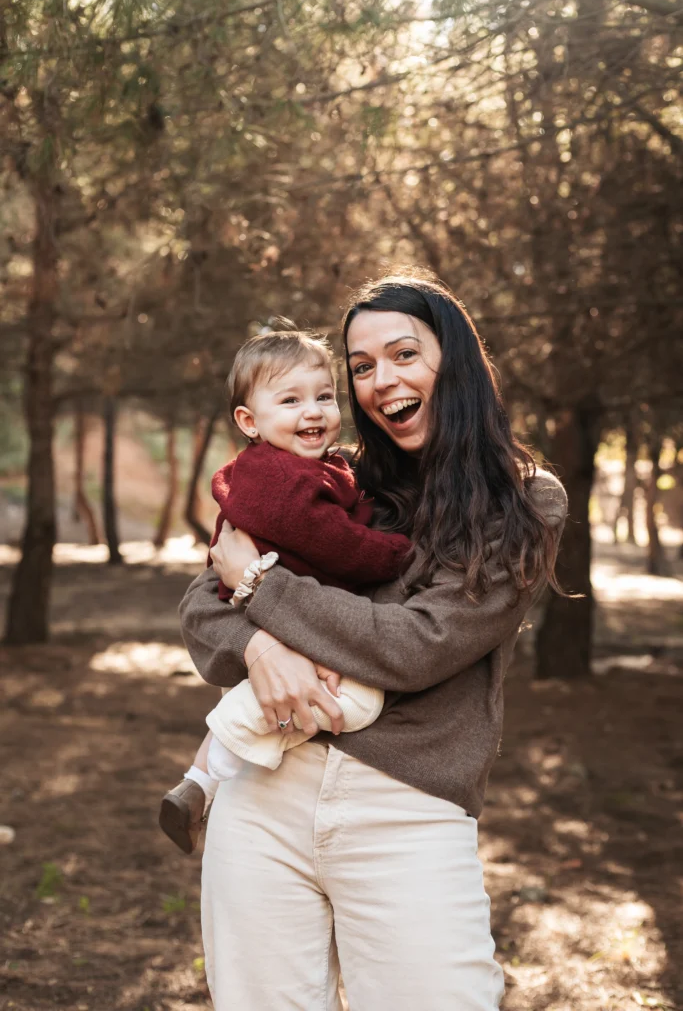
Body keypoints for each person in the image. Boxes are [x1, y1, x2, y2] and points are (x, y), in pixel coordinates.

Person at [179, 273, 568, 1011]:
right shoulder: (328, 481)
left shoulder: (524, 499)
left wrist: (261, 588)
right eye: (360, 367)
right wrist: (261, 650)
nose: (380, 379)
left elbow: (416, 645)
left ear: (453, 361)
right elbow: (204, 602)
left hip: (408, 806)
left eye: (403, 354)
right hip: (264, 792)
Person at [159, 329, 412, 854]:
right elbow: (337, 544)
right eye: (291, 401)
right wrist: (396, 551)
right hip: (283, 615)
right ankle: (218, 764)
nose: (313, 411)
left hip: (285, 610)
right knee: (358, 701)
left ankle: (201, 780)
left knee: (282, 690)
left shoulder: (304, 467)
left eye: (324, 396)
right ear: (249, 421)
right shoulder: (281, 480)